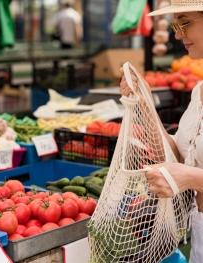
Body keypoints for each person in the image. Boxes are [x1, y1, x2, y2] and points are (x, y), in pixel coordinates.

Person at [119, 1, 203, 262]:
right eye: (176, 25)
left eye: (185, 22)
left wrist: (189, 178)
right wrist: (144, 102)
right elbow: (178, 157)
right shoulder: (199, 91)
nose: (178, 34)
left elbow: (186, 172)